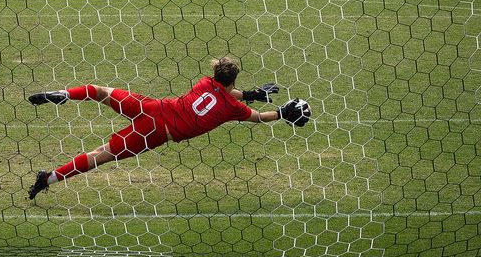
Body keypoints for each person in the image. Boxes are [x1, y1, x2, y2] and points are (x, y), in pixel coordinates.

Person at [27, 57, 311, 199]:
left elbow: (223, 93)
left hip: (152, 106)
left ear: (215, 74)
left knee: (99, 90)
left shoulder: (204, 83)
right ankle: (49, 178)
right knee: (101, 154)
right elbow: (257, 117)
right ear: (234, 80)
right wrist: (281, 112)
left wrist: (250, 93)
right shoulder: (232, 108)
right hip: (155, 133)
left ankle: (64, 94)